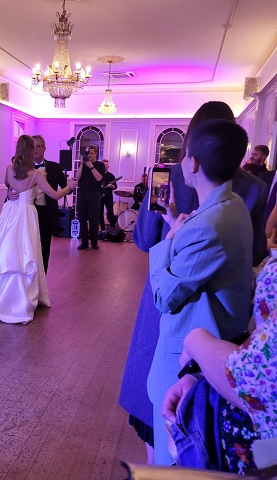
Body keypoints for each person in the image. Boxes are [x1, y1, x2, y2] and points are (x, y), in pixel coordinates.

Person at [119, 101, 268, 465]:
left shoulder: (171, 176)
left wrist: (170, 238)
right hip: (220, 317)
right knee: (189, 412)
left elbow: (145, 242)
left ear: (194, 154)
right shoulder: (245, 192)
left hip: (175, 304)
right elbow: (254, 252)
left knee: (166, 411)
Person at [147, 119, 253, 465]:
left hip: (187, 360)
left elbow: (164, 297)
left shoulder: (207, 226)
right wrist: (175, 222)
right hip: (221, 340)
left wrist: (167, 241)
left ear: (192, 163)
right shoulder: (233, 204)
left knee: (176, 453)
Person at [162, 251, 277, 472]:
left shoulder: (207, 230)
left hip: (247, 457)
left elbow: (164, 294)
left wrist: (196, 342)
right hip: (221, 424)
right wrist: (204, 371)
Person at [0, 135, 76, 324]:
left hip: (10, 213)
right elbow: (55, 195)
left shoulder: (9, 169)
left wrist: (11, 192)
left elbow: (8, 185)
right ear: (30, 151)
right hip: (26, 215)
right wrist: (69, 186)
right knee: (27, 253)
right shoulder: (36, 174)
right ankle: (21, 297)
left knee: (6, 251)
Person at [31, 135, 68, 273]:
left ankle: (42, 278)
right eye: (32, 146)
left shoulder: (54, 167)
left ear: (44, 148)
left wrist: (70, 185)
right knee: (27, 246)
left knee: (44, 246)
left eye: (38, 146)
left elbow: (65, 187)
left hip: (46, 213)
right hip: (28, 211)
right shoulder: (24, 167)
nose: (35, 149)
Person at [76, 145, 105, 250]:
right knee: (82, 218)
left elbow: (99, 178)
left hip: (94, 194)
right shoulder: (83, 164)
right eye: (88, 153)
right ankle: (84, 243)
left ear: (96, 153)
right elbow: (77, 177)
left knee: (94, 219)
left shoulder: (100, 165)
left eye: (92, 153)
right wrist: (82, 164)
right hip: (82, 193)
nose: (90, 155)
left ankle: (94, 242)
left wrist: (91, 166)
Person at [99, 159, 117, 231]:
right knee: (100, 212)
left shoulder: (111, 176)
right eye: (104, 165)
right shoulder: (98, 175)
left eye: (106, 165)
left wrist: (111, 186)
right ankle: (103, 228)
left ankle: (112, 227)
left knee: (110, 212)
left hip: (108, 196)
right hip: (100, 196)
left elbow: (115, 187)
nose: (105, 166)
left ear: (108, 166)